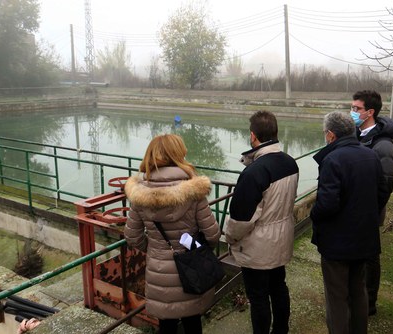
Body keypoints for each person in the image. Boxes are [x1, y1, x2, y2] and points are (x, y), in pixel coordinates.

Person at [124, 134, 221, 334]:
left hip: (159, 271)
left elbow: (133, 236)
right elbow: (212, 234)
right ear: (179, 154)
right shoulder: (194, 190)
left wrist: (155, 249)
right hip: (190, 269)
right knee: (193, 322)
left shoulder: (139, 193)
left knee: (166, 325)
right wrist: (196, 248)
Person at [310, 111, 390, 334]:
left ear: (331, 135)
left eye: (325, 133)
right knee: (358, 290)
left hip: (337, 244)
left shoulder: (332, 159)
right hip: (364, 238)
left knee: (336, 297)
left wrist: (313, 214)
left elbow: (327, 204)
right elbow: (382, 192)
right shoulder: (370, 155)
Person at [224, 110, 299, 334]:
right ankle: (281, 330)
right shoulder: (290, 163)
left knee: (258, 298)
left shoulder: (255, 171)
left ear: (253, 136)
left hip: (258, 248)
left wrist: (230, 237)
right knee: (278, 288)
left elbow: (240, 219)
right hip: (281, 239)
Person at [351, 90, 393, 315]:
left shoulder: (383, 145)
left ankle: (369, 302)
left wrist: (371, 211)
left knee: (370, 257)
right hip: (352, 209)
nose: (352, 112)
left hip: (369, 211)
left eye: (356, 109)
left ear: (370, 112)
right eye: (352, 108)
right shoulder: (356, 135)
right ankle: (355, 295)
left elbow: (385, 184)